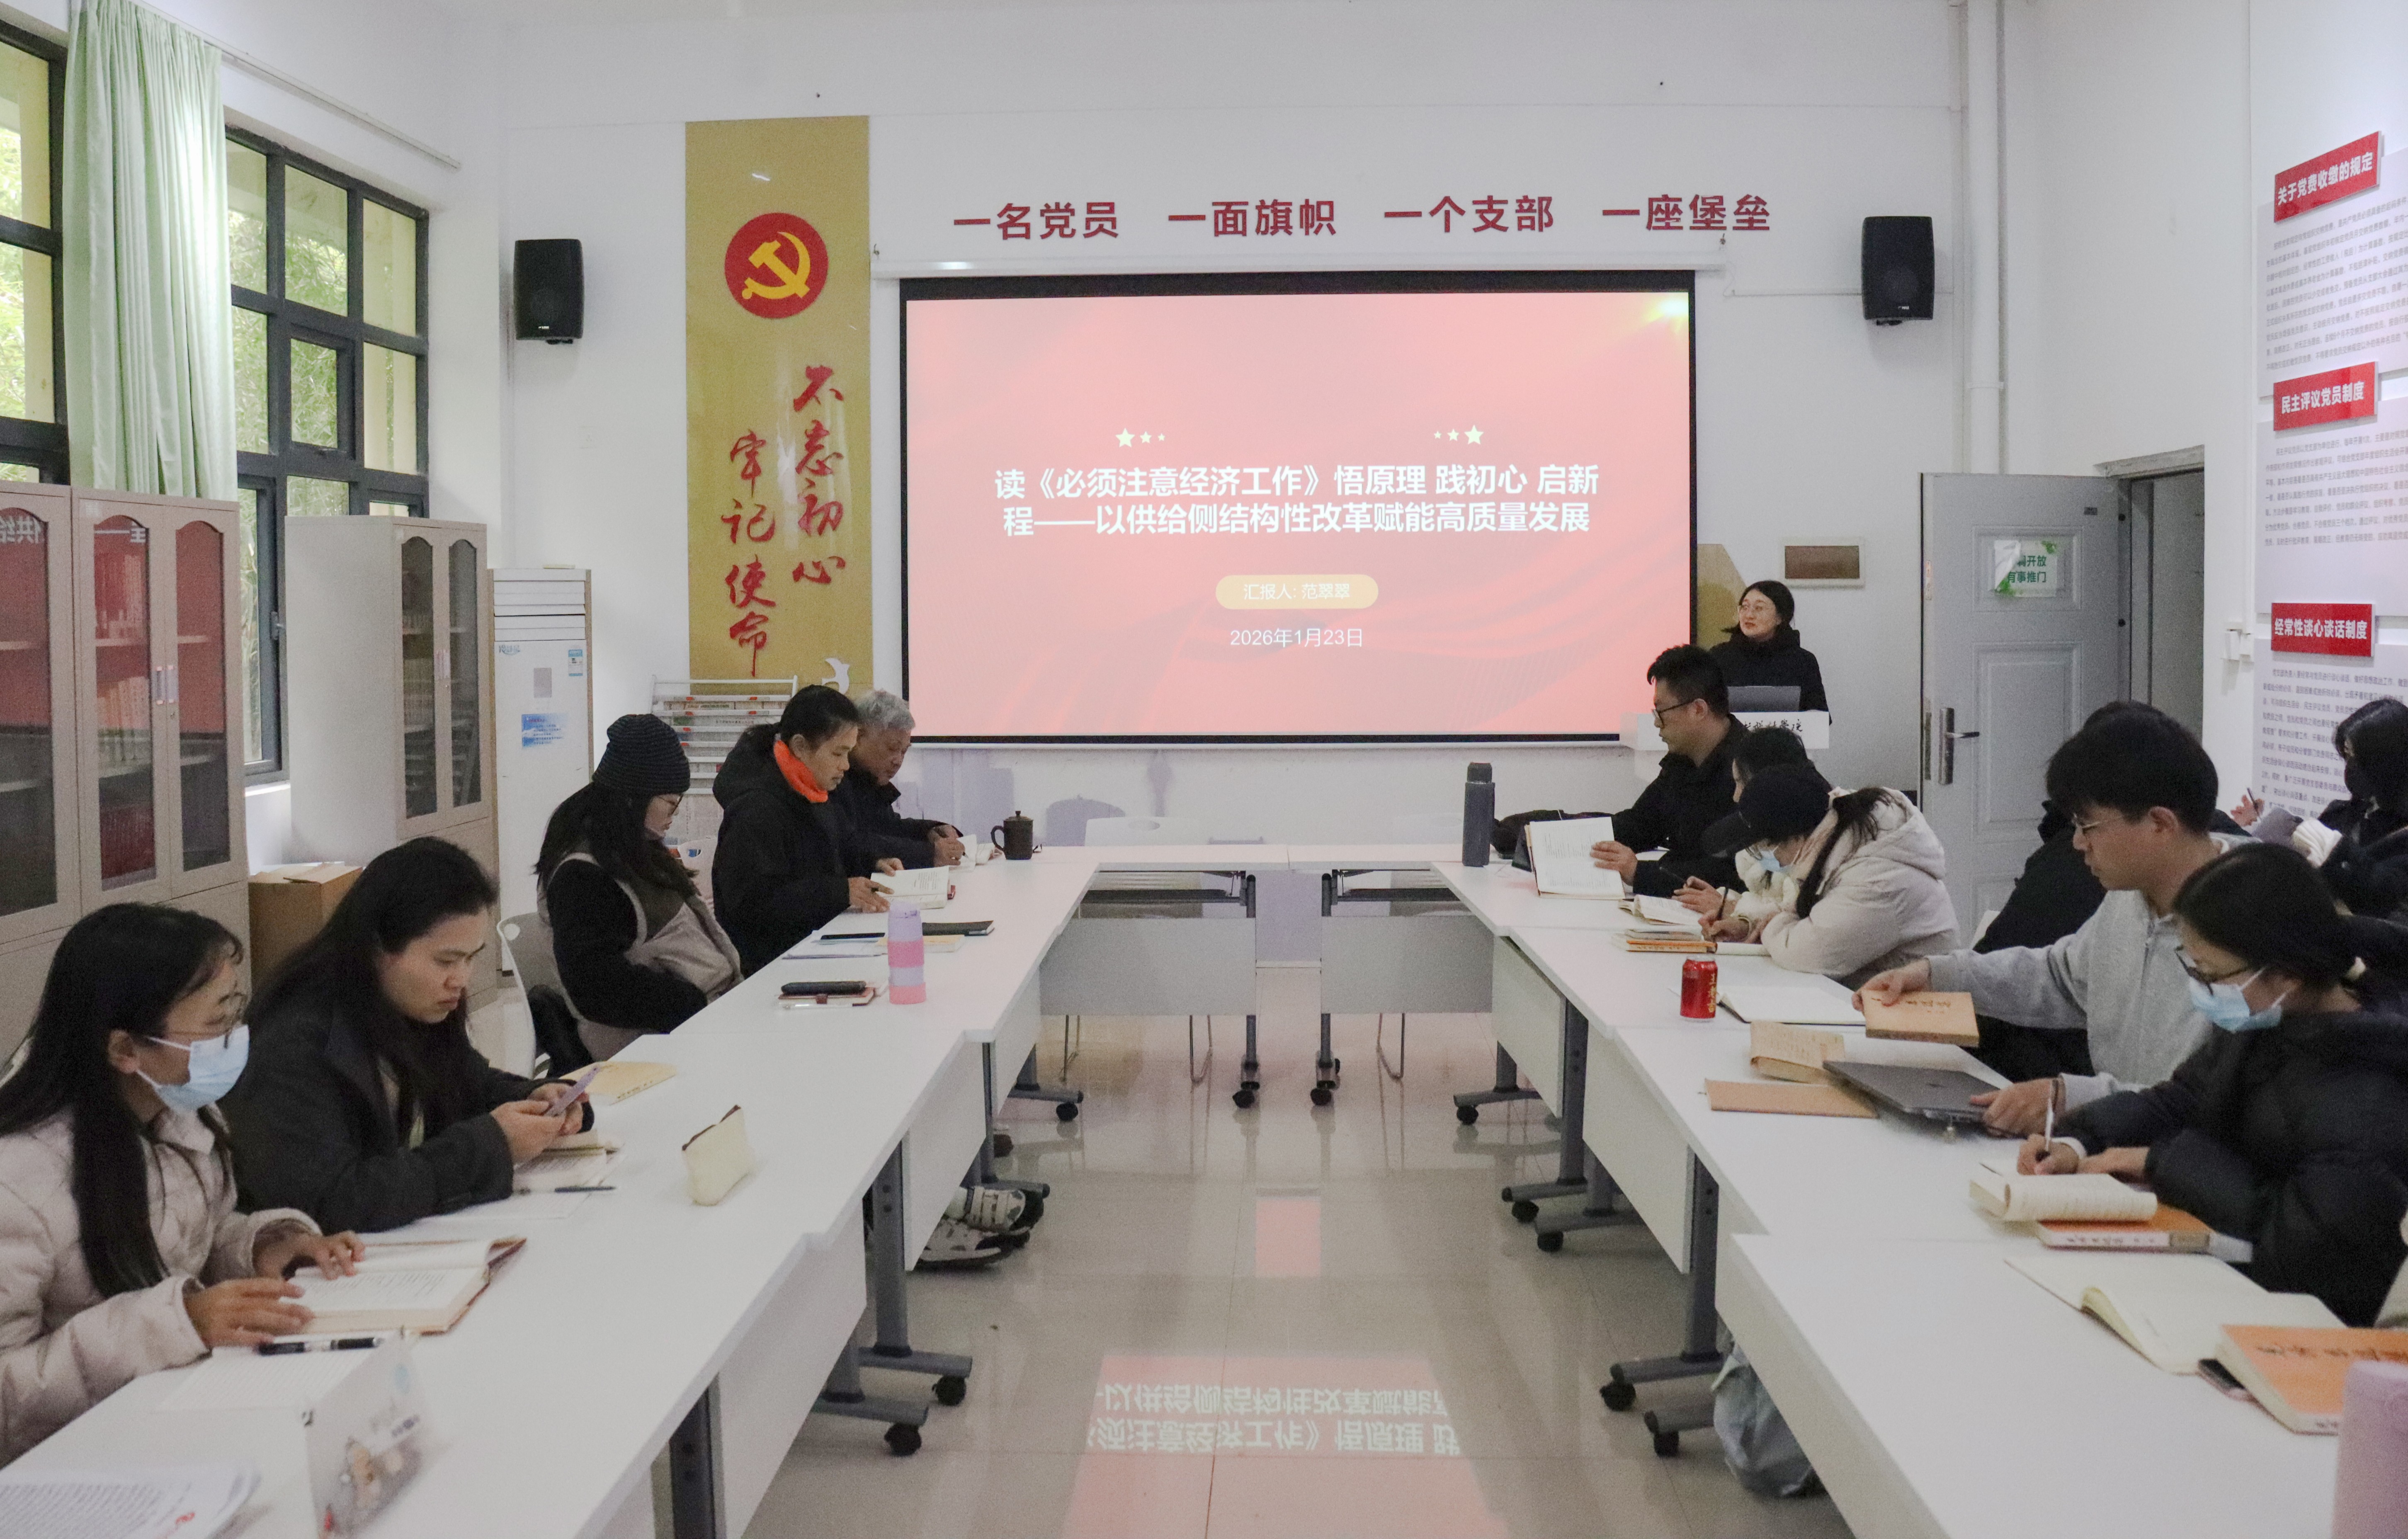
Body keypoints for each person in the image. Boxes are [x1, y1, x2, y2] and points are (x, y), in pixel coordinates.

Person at [0, 905, 364, 1462]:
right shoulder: (19, 1180)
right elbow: (9, 1395)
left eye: (236, 1011)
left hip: (166, 1420)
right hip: (68, 1462)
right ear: (125, 1050)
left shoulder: (178, 1109)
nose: (235, 1038)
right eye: (216, 1024)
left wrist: (264, 1245)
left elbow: (189, 1242)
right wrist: (174, 1323)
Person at [2020, 844, 2408, 1327]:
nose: (2203, 990)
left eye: (2212, 975)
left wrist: (2161, 1162)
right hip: (2216, 1275)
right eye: (2195, 969)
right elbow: (2180, 1098)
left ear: (2287, 975)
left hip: (2294, 1319)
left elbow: (2311, 1252)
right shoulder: (2266, 1020)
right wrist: (2080, 1140)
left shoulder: (2371, 1090)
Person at [1856, 707, 2237, 1134]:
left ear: (2160, 824)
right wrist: (1938, 974)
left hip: (2176, 1152)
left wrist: (2069, 1097)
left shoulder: (2252, 922)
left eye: (2088, 826)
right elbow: (2062, 977)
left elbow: (2207, 1102)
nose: (2078, 844)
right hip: (2111, 1140)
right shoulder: (2131, 896)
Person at [225, 838, 592, 1235]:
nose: (461, 979)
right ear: (377, 946)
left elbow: (467, 1083)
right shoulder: (294, 1042)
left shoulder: (409, 1004)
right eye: (445, 961)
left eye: (471, 958)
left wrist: (536, 1099)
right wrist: (492, 1146)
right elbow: (334, 1201)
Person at [537, 713, 742, 1061]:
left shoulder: (632, 847)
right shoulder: (583, 875)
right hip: (651, 1044)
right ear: (634, 798)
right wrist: (690, 1003)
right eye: (671, 804)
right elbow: (597, 988)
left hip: (697, 1021)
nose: (674, 815)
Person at [1700, 764, 1957, 987]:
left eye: (1762, 848)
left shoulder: (1880, 881)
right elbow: (1807, 913)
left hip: (1913, 1013)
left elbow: (1809, 953)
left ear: (1796, 837)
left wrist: (1770, 928)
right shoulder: (1837, 845)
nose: (1765, 858)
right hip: (1862, 994)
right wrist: (1748, 926)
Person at [711, 686, 905, 975]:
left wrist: (873, 860)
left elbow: (841, 843)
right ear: (801, 747)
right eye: (838, 753)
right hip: (772, 968)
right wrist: (840, 892)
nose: (846, 766)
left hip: (815, 944)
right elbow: (752, 905)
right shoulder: (756, 809)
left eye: (849, 753)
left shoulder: (812, 787)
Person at [1587, 645, 1743, 897]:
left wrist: (1640, 873)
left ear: (1698, 710)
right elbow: (1640, 824)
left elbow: (1733, 872)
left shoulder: (1751, 771)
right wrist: (1563, 832)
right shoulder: (1681, 762)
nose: (1657, 722)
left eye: (1661, 712)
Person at [1674, 725, 1814, 928]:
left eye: (1742, 783)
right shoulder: (1761, 835)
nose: (1736, 797)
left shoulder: (1810, 839)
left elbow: (1797, 918)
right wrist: (1724, 900)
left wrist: (1734, 908)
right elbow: (1768, 901)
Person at [833, 691, 964, 870]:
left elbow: (889, 828)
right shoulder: (834, 777)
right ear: (858, 736)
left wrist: (929, 831)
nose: (898, 761)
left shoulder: (869, 778)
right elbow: (853, 842)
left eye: (904, 751)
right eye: (892, 748)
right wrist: (928, 854)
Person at [2307, 698, 2408, 920]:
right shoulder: (2340, 814)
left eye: (2358, 758)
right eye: (2347, 756)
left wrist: (2337, 853)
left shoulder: (2402, 834)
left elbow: (2383, 897)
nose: (2350, 768)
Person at [1708, 580, 1828, 713]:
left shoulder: (1803, 661)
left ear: (1780, 617)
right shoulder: (1719, 657)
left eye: (1759, 608)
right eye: (1745, 607)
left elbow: (1818, 717)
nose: (1749, 615)